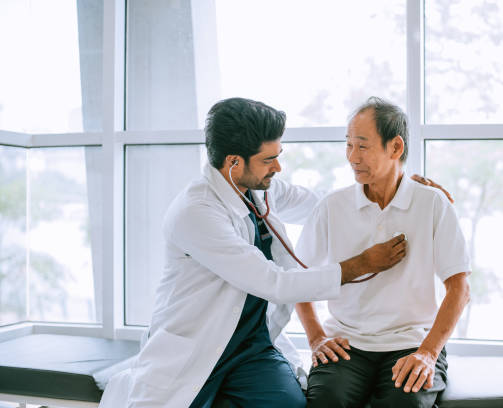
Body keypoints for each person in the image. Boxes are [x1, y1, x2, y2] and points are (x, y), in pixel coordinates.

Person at [98, 97, 407, 408]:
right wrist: (362, 264)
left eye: (278, 156)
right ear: (234, 163)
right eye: (268, 160)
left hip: (250, 348)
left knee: (291, 406)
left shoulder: (259, 189)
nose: (278, 167)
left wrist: (393, 186)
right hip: (195, 348)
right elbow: (275, 283)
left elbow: (326, 207)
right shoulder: (196, 213)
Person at [295, 97, 471, 408]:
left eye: (362, 146)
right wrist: (317, 338)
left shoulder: (432, 203)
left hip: (411, 340)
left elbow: (459, 288)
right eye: (348, 145)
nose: (352, 157)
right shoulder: (332, 207)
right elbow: (300, 280)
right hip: (347, 344)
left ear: (396, 147)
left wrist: (428, 353)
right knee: (325, 402)